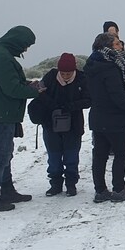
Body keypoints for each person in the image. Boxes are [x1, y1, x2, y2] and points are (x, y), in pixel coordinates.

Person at [0, 26, 44, 212]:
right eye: (25, 45)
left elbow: (9, 83)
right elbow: (11, 89)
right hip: (1, 114)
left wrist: (26, 84)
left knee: (5, 152)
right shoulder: (1, 56)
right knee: (1, 154)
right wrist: (35, 91)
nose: (25, 50)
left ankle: (6, 190)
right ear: (17, 41)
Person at [84, 33, 125, 203]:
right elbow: (116, 94)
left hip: (98, 117)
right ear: (106, 47)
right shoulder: (111, 66)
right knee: (122, 152)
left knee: (100, 155)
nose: (120, 46)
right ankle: (119, 189)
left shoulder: (91, 64)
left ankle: (100, 190)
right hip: (114, 118)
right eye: (116, 44)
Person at [37, 53, 91, 197]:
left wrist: (71, 106)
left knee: (71, 156)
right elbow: (40, 94)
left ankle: (71, 184)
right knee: (54, 157)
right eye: (63, 73)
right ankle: (55, 184)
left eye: (69, 73)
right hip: (51, 125)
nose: (66, 76)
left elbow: (89, 100)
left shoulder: (82, 78)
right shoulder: (49, 77)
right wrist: (54, 106)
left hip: (73, 126)